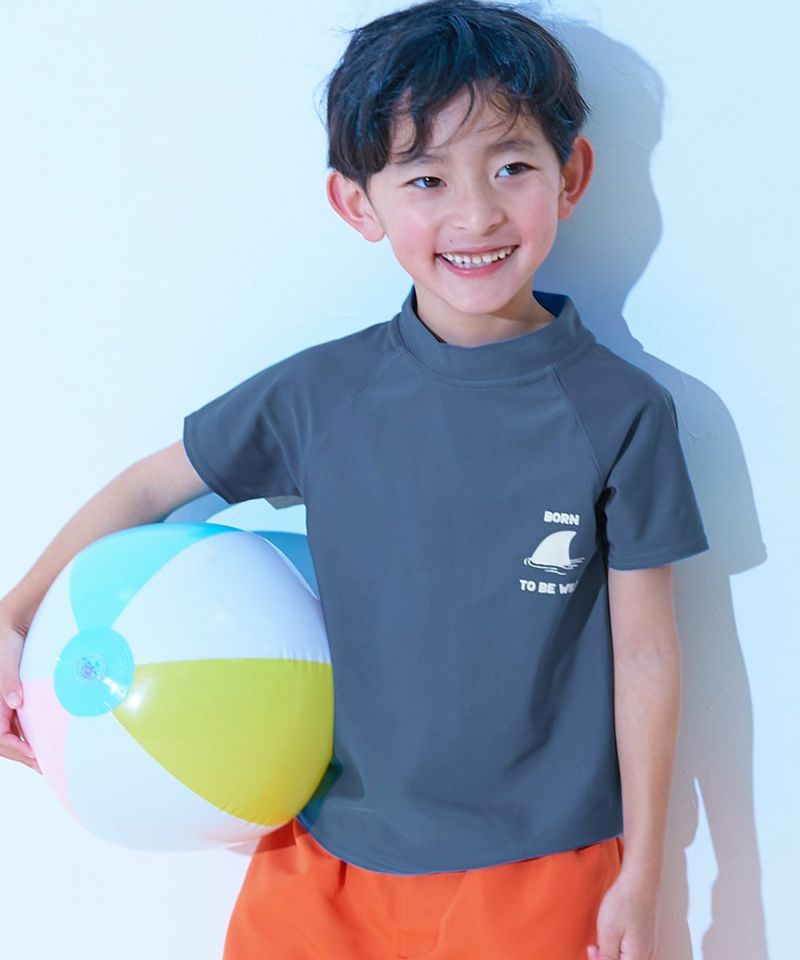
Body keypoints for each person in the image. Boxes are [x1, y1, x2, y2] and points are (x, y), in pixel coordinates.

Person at [0, 1, 710, 958]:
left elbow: (648, 656)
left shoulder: (620, 411)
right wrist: (14, 615)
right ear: (357, 204)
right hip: (324, 858)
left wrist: (644, 870)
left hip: (537, 865)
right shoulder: (321, 394)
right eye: (426, 178)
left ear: (570, 175)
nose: (476, 214)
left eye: (511, 166)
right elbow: (148, 489)